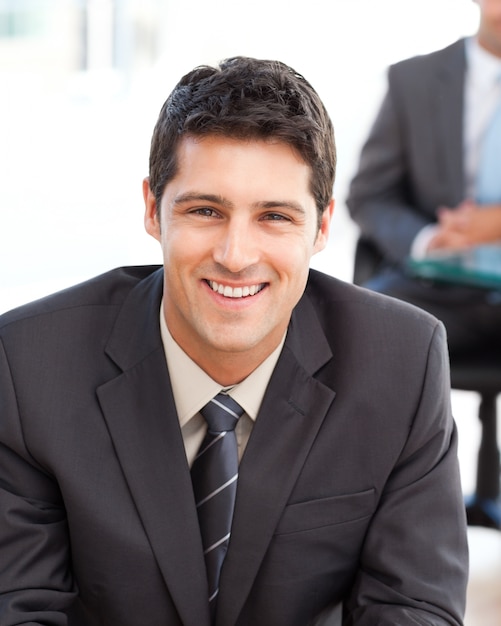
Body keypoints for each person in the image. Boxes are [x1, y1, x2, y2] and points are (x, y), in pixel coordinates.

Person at [0, 56, 467, 626]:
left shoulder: (403, 363)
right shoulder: (26, 366)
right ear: (153, 209)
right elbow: (19, 608)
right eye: (205, 210)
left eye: (274, 216)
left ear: (321, 228)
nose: (236, 255)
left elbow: (413, 609)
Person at [346, 0, 501, 358]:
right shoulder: (411, 82)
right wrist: (430, 240)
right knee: (363, 323)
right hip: (443, 292)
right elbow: (369, 195)